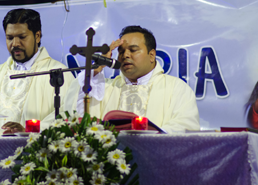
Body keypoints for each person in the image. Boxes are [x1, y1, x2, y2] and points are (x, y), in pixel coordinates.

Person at [0, 8, 75, 137]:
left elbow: (67, 117)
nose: (15, 44)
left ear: (37, 36)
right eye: (9, 38)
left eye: (22, 37)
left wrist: (27, 130)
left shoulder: (58, 73)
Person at [65, 25, 200, 133]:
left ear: (152, 55)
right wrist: (96, 69)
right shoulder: (105, 88)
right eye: (121, 51)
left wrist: (149, 138)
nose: (125, 55)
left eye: (133, 50)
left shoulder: (176, 88)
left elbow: (186, 125)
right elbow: (78, 115)